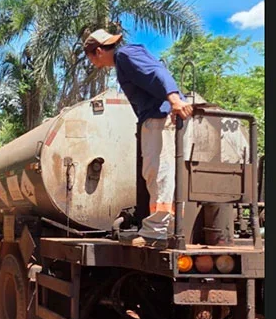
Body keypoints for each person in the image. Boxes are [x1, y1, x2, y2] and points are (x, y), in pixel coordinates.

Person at [83, 29, 194, 249]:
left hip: (158, 117)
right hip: (160, 117)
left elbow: (156, 73)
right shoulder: (126, 58)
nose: (92, 63)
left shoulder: (125, 55)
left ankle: (155, 233)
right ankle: (169, 229)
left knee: (157, 172)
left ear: (97, 51)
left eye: (90, 58)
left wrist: (174, 100)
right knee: (164, 173)